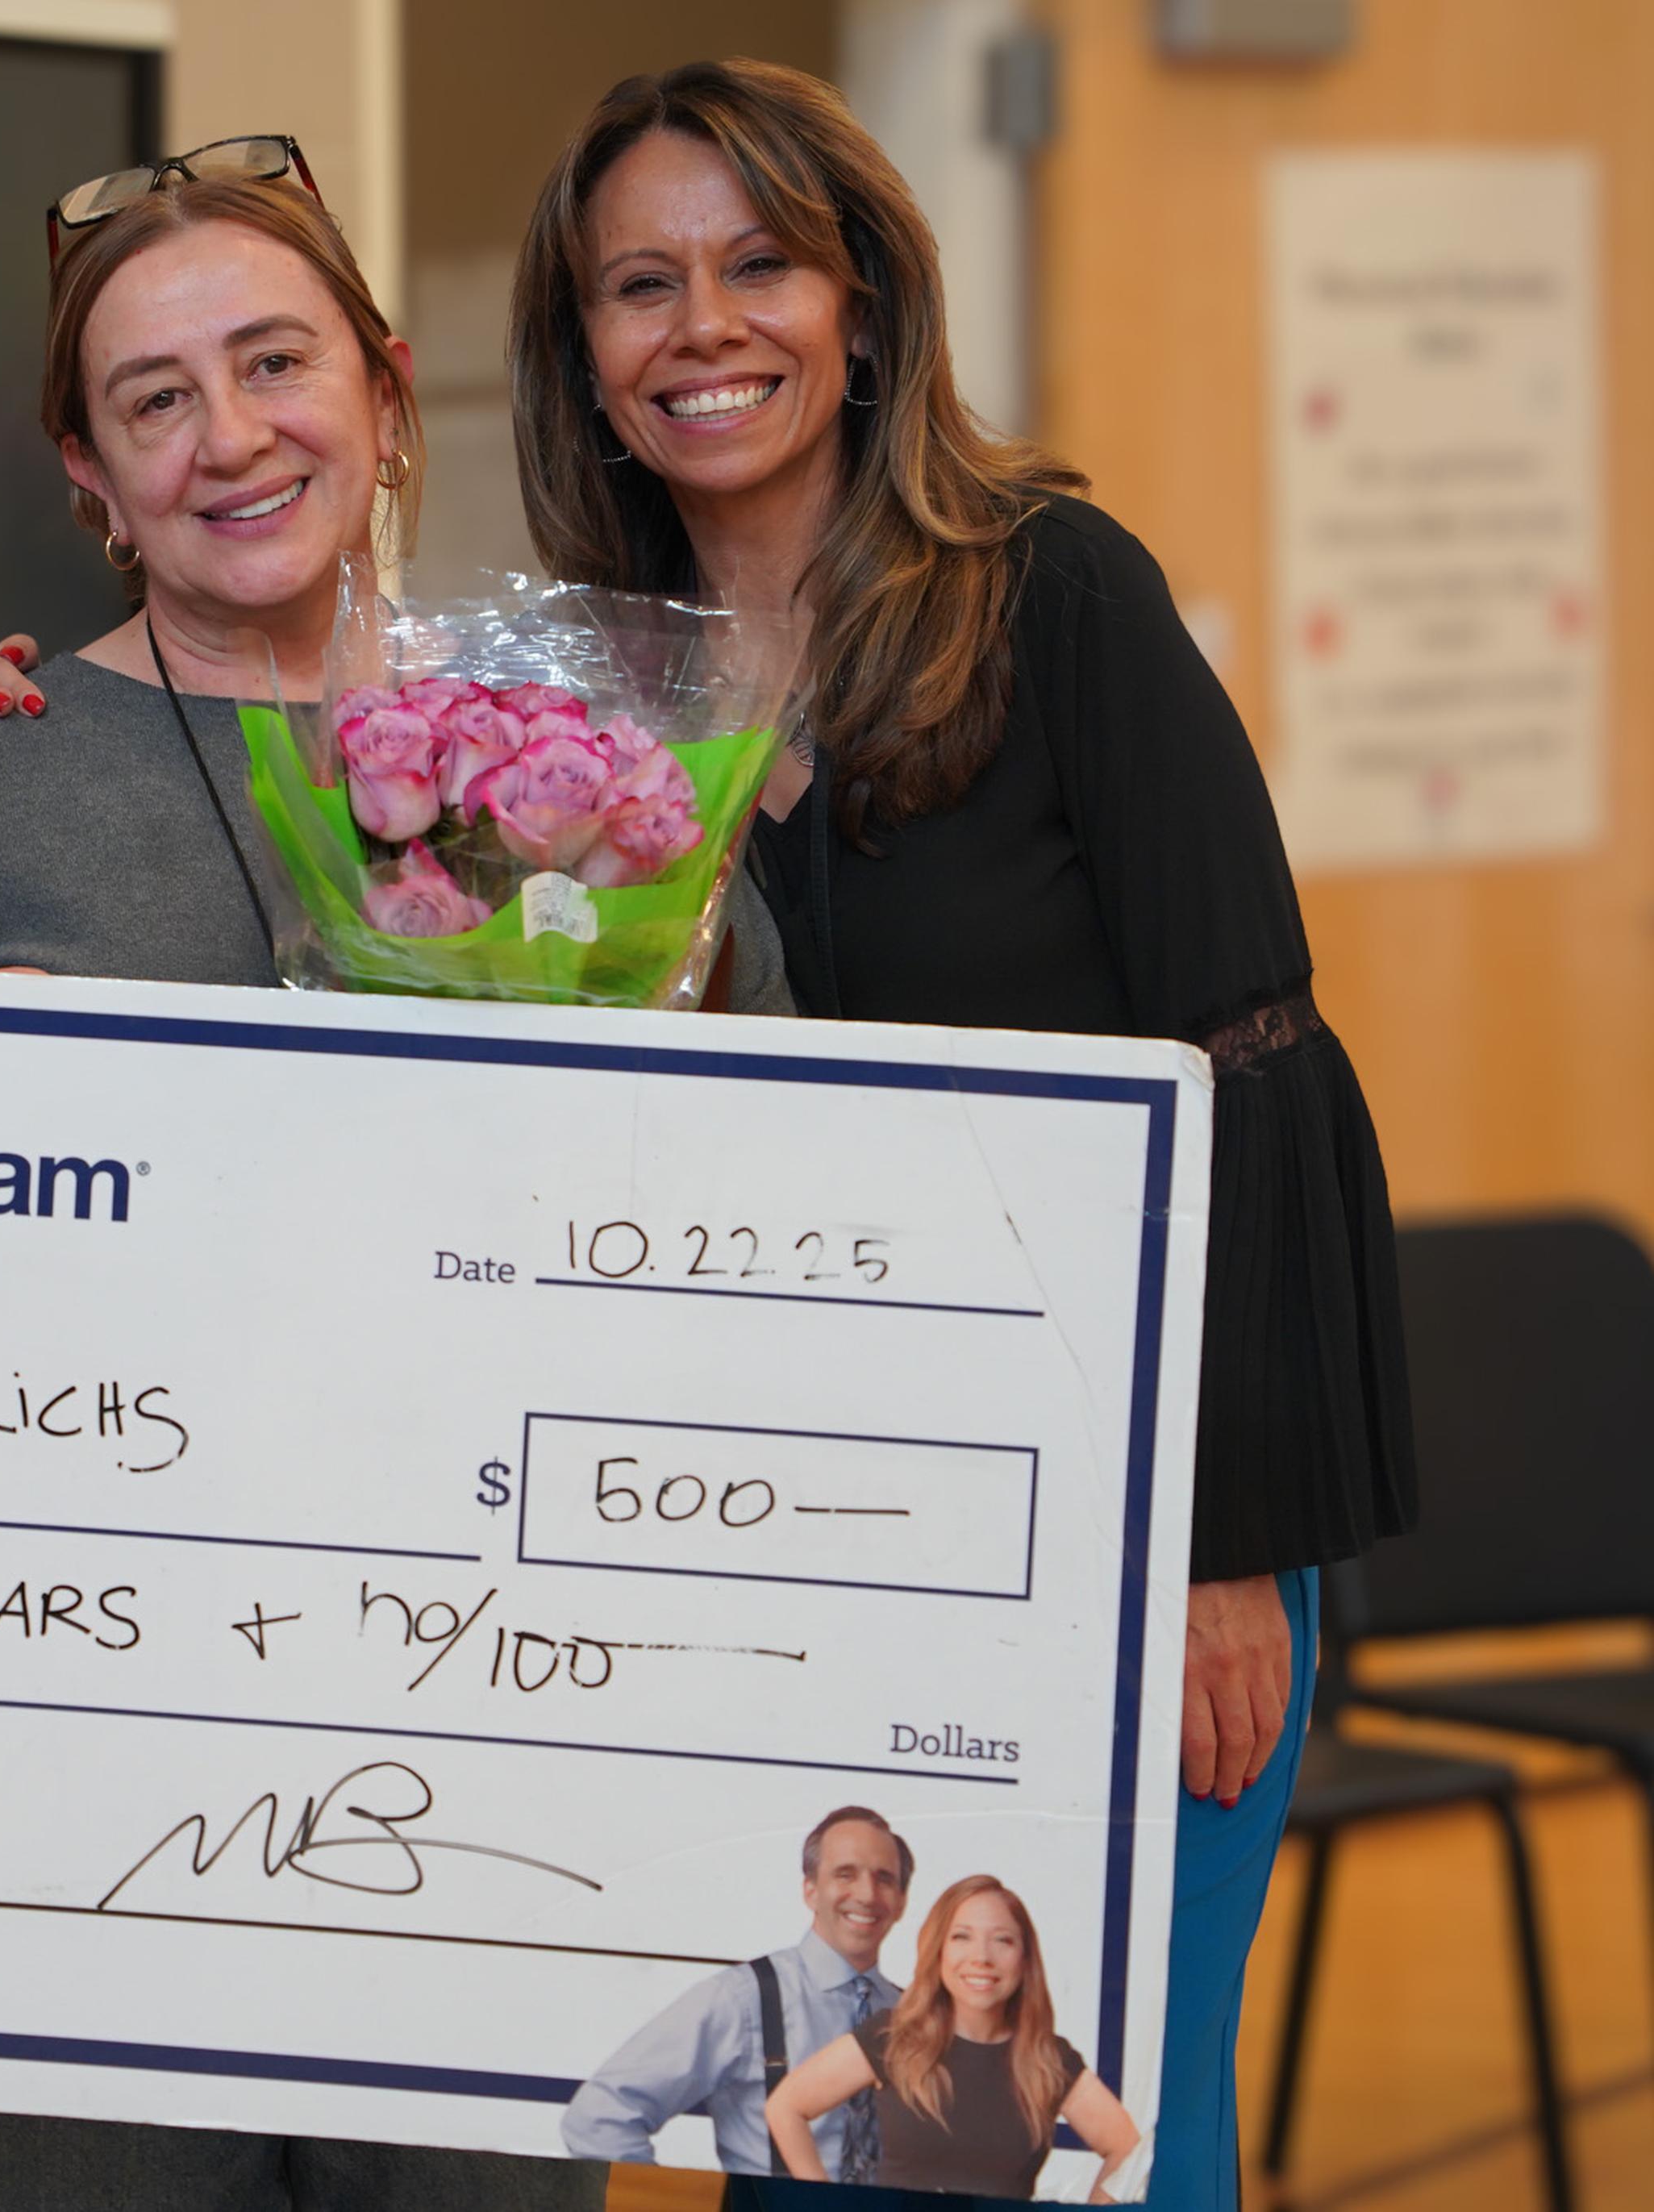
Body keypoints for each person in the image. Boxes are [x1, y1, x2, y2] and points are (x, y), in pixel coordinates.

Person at [0, 143, 785, 2211]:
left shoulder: (585, 770)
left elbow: (763, 1188)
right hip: (54, 1807)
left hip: (488, 1767)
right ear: (87, 466)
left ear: (385, 386)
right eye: (154, 399)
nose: (230, 437)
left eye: (273, 362)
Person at [498, 56, 1414, 2212]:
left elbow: (1255, 1058)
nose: (703, 325)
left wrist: (1216, 1549)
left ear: (865, 304)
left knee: (1069, 2145)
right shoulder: (586, 700)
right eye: (642, 284)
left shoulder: (1054, 593)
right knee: (820, 2135)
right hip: (790, 1539)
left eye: (759, 265)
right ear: (584, 355)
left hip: (1119, 1530)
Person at [561, 1807, 911, 2180]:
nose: (867, 1894)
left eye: (885, 1879)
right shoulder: (744, 1999)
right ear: (810, 1890)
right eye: (846, 1874)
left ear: (902, 1902)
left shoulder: (915, 2015)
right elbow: (597, 2120)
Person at [767, 1877, 1139, 2200]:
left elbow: (1127, 2148)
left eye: (1003, 1941)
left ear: (1025, 1959)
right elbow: (786, 2106)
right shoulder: (893, 2038)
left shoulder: (1048, 2059)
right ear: (939, 1951)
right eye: (962, 1937)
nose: (981, 1957)